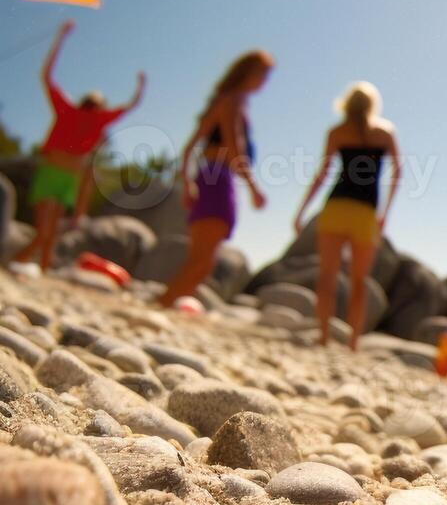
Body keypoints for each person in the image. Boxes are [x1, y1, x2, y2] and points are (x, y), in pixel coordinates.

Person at [14, 21, 144, 272]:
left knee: (50, 234)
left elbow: (131, 105)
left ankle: (40, 271)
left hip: (68, 180)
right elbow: (47, 76)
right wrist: (60, 38)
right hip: (52, 173)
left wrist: (141, 86)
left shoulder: (98, 120)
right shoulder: (67, 110)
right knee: (44, 232)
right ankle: (17, 265)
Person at [158, 49, 272, 308]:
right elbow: (234, 147)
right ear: (249, 73)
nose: (265, 81)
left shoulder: (224, 99)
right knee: (202, 261)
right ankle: (161, 305)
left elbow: (190, 149)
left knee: (201, 260)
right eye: (263, 74)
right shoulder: (234, 101)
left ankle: (162, 305)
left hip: (208, 174)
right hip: (218, 177)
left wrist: (188, 182)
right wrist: (254, 187)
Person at [293, 82, 402, 350]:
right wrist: (385, 212)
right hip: (365, 213)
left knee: (327, 276)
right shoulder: (385, 132)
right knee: (359, 281)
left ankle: (324, 336)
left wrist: (302, 210)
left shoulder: (337, 132)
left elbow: (322, 174)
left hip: (336, 207)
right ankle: (352, 342)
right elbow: (398, 172)